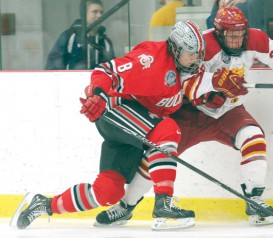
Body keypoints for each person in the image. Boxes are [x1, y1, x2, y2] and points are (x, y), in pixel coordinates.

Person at [94, 6, 273, 227]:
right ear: (219, 32)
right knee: (160, 155)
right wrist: (215, 85)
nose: (237, 40)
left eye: (240, 34)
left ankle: (254, 201)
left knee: (254, 138)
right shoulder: (202, 44)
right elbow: (184, 81)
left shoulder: (255, 39)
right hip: (190, 113)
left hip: (229, 112)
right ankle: (126, 206)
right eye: (230, 35)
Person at [13, 21, 206, 230]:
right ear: (175, 49)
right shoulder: (150, 60)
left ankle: (44, 204)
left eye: (198, 53)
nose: (196, 58)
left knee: (107, 192)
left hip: (136, 126)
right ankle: (164, 204)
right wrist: (95, 95)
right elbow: (105, 71)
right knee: (168, 130)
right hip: (116, 111)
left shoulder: (183, 68)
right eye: (191, 53)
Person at [45, 0, 115, 70]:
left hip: (98, 80)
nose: (99, 15)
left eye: (101, 12)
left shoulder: (105, 42)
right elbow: (53, 66)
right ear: (84, 14)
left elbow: (112, 69)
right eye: (95, 12)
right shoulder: (69, 37)